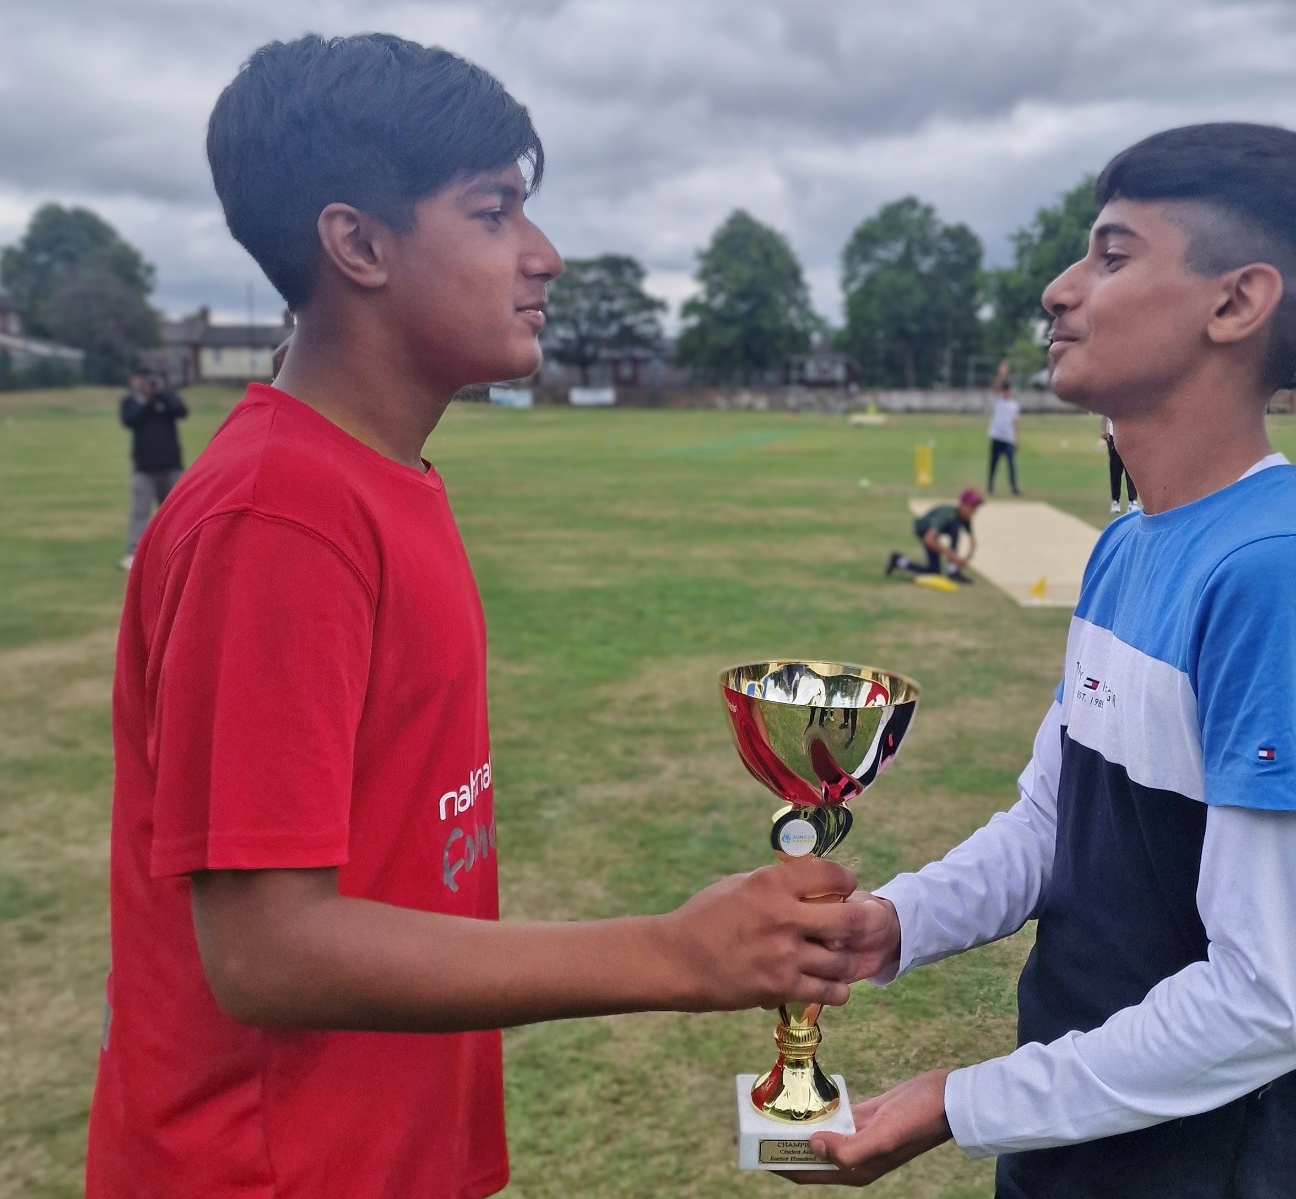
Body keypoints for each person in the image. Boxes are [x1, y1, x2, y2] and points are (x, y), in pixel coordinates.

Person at [84, 34, 875, 1199]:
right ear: (356, 243)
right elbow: (264, 948)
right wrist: (670, 949)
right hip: (269, 1166)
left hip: (381, 1145)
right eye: (493, 211)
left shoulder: (379, 478)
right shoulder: (280, 513)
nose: (544, 255)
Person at [809, 124, 1296, 1197]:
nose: (1058, 288)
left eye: (1112, 254)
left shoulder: (1283, 578)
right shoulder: (1128, 546)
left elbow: (1273, 998)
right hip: (1070, 1145)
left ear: (1235, 303)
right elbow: (1055, 823)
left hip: (1198, 1169)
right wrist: (892, 923)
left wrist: (966, 1100)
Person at [117, 368, 188, 569]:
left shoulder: (166, 400)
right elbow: (130, 421)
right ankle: (134, 552)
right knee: (140, 510)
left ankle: (177, 548)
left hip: (171, 465)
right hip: (144, 468)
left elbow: (181, 411)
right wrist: (147, 401)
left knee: (174, 511)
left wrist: (161, 394)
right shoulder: (131, 403)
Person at [886, 488, 982, 584]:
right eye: (972, 508)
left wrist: (966, 559)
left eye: (975, 508)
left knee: (933, 571)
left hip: (933, 534)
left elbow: (973, 541)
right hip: (924, 529)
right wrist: (951, 555)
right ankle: (952, 570)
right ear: (962, 505)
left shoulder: (965, 518)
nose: (974, 512)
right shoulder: (948, 515)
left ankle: (897, 560)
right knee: (954, 527)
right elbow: (929, 540)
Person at [987, 373, 1021, 496]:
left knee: (1011, 464)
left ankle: (1014, 487)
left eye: (1008, 391)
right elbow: (995, 388)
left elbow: (1015, 423)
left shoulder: (1014, 406)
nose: (1006, 393)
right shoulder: (998, 401)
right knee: (993, 463)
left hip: (1008, 439)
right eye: (1004, 390)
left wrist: (1016, 441)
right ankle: (990, 485)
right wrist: (1001, 374)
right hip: (997, 436)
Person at [1101, 413, 1139, 514]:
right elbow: (1105, 412)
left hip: (1130, 435)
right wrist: (1103, 429)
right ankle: (1115, 501)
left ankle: (1132, 501)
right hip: (1114, 434)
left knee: (1130, 468)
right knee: (1115, 469)